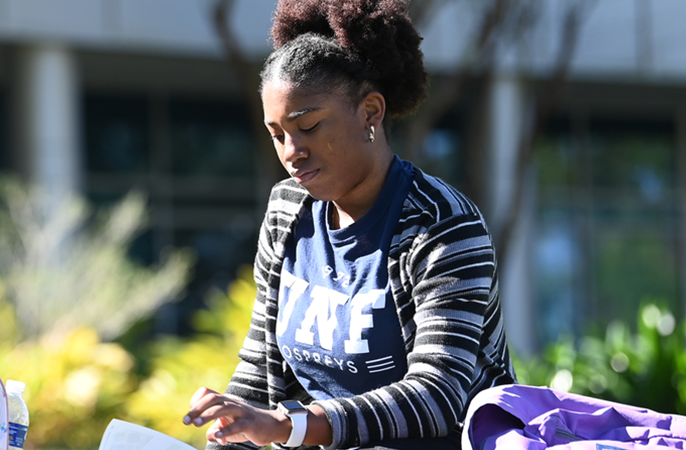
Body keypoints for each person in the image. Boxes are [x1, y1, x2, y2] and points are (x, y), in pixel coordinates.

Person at [181, 0, 514, 449]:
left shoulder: (443, 227)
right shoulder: (287, 211)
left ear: (371, 113)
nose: (291, 152)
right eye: (277, 133)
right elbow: (262, 370)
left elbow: (437, 396)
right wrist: (231, 429)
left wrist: (289, 425)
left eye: (310, 126)